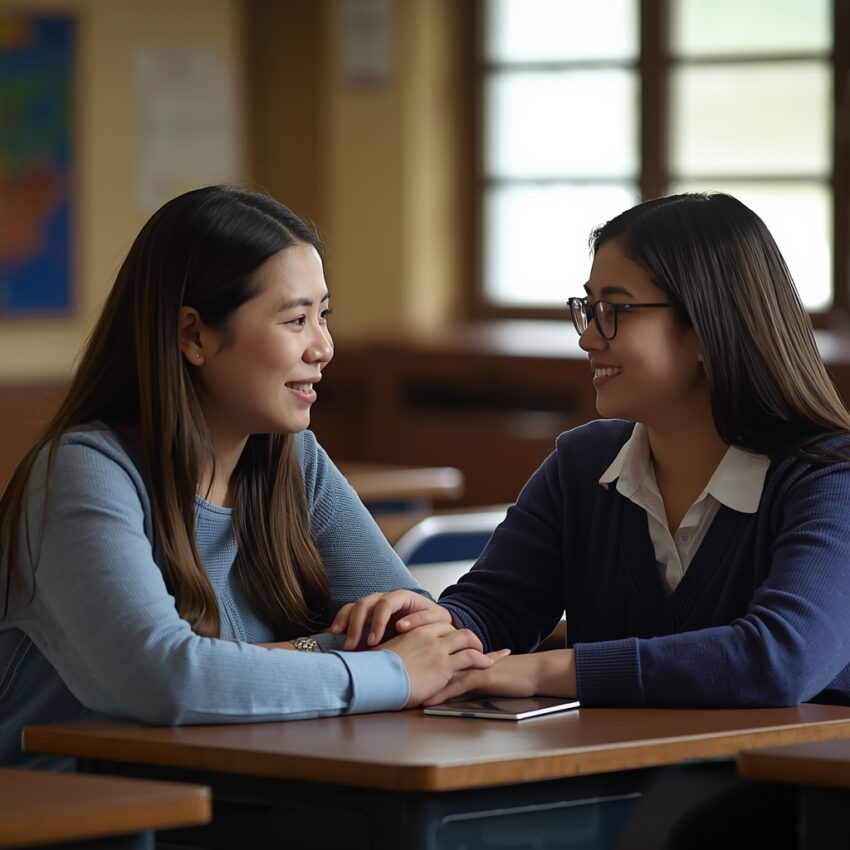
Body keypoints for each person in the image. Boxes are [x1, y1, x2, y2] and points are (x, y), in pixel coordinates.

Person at [0, 185, 492, 767]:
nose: (325, 347)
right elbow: (166, 679)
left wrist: (279, 658)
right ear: (194, 336)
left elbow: (419, 632)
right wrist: (379, 668)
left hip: (238, 794)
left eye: (324, 316)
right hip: (83, 819)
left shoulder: (293, 459)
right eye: (296, 320)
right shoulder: (86, 473)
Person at [331, 191, 850, 710]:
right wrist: (435, 623)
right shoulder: (583, 464)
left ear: (706, 330)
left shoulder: (828, 477)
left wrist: (542, 669)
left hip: (783, 786)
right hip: (620, 775)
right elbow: (494, 610)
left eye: (615, 311)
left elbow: (780, 659)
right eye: (589, 309)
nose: (588, 339)